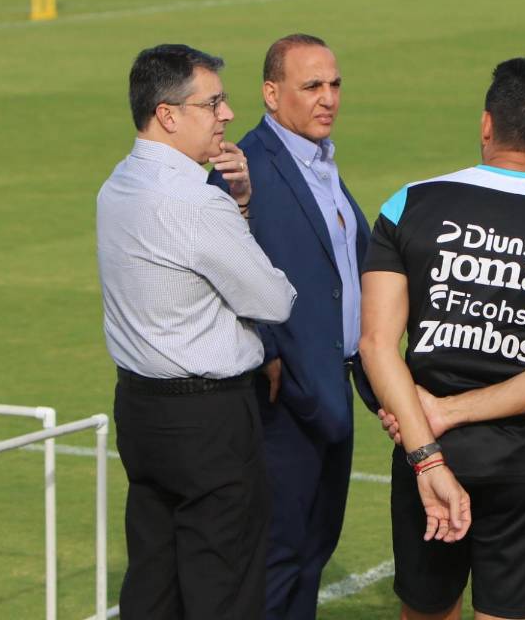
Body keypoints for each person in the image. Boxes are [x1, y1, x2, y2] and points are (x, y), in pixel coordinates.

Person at [361, 57, 525, 620]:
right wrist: (450, 412)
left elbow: (377, 345)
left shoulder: (409, 203)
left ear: (485, 125)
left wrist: (427, 438)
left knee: (427, 611)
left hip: (425, 449)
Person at [96, 43, 296, 619]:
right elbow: (273, 298)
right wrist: (239, 208)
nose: (227, 115)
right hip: (208, 420)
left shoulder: (117, 184)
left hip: (140, 408)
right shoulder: (195, 202)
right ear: (168, 114)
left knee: (153, 583)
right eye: (212, 103)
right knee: (224, 589)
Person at [207, 33, 369, 620]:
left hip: (331, 387)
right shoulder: (243, 165)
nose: (328, 98)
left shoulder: (320, 161)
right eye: (312, 86)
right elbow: (223, 263)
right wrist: (268, 347)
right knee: (279, 554)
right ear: (272, 94)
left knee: (312, 550)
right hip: (283, 397)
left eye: (334, 84)